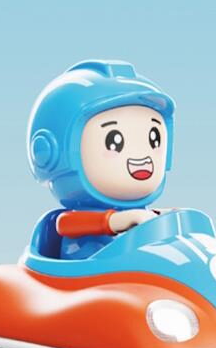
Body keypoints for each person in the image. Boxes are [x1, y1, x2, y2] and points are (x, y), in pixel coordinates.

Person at [27, 60, 175, 259]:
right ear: (53, 153)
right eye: (114, 142)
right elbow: (65, 224)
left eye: (153, 139)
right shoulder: (70, 221)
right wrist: (117, 221)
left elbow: (140, 222)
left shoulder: (138, 215)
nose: (141, 157)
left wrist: (162, 216)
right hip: (88, 273)